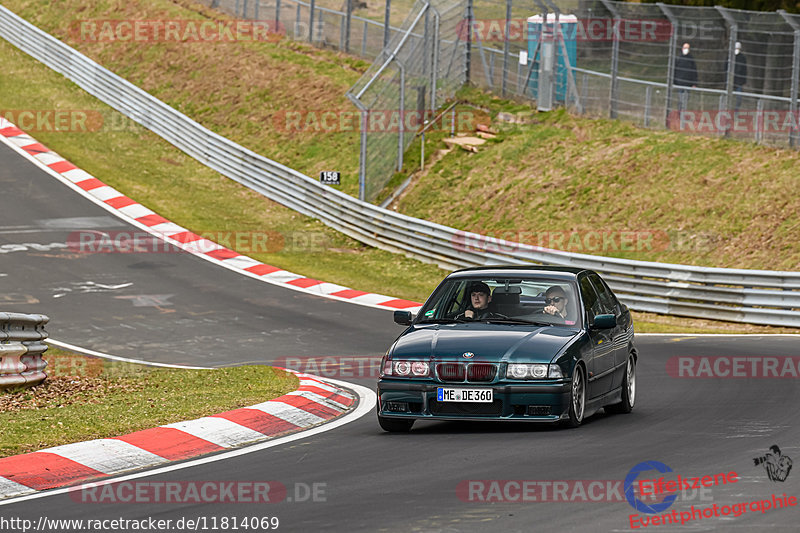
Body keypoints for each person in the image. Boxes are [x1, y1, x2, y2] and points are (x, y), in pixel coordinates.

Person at [674, 42, 698, 112]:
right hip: (680, 83)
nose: (686, 49)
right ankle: (680, 112)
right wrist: (674, 81)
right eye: (685, 48)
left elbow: (694, 72)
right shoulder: (678, 59)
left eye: (687, 48)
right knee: (681, 98)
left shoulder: (691, 60)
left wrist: (694, 83)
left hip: (688, 83)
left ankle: (683, 112)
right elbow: (675, 70)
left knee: (686, 99)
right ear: (682, 49)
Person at [725, 41, 747, 110]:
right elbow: (725, 68)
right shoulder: (729, 57)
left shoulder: (742, 58)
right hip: (730, 81)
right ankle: (727, 110)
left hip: (739, 81)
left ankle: (736, 112)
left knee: (738, 98)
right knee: (728, 97)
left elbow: (744, 70)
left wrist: (743, 81)